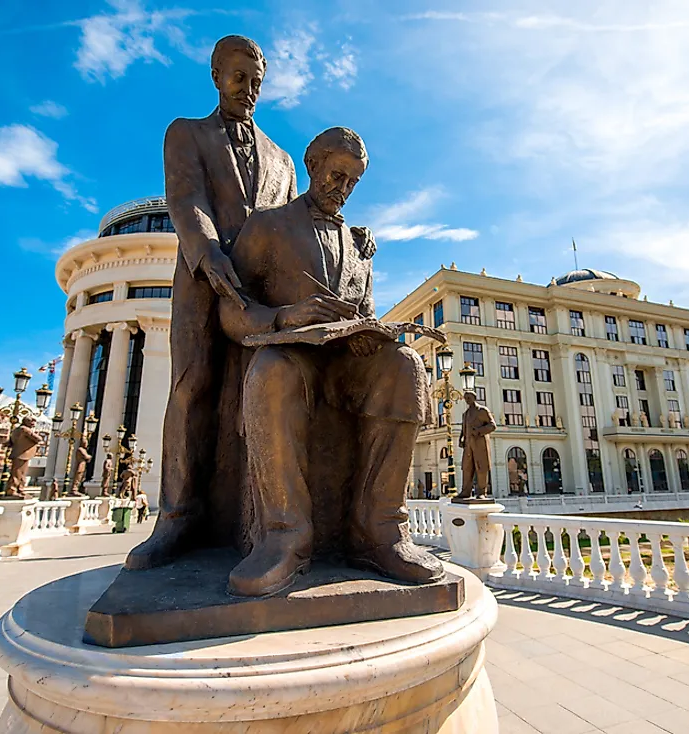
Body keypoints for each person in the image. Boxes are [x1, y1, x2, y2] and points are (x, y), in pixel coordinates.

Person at [218, 127, 443, 597]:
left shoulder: (360, 244)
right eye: (337, 175)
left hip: (346, 363)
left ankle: (379, 530)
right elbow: (231, 311)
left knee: (406, 367)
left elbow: (363, 308)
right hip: (291, 354)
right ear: (313, 165)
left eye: (353, 182)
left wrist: (367, 332)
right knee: (272, 372)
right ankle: (285, 537)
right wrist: (285, 316)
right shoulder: (267, 226)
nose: (343, 189)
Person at [127, 35, 300, 571]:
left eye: (257, 80)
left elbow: (292, 225)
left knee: (264, 394)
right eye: (238, 77)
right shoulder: (186, 133)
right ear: (216, 76)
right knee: (194, 387)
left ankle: (259, 522)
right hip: (204, 279)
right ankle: (176, 520)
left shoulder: (283, 159)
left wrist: (346, 234)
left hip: (261, 293)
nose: (248, 89)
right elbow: (185, 197)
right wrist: (206, 253)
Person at [458, 390, 496, 500]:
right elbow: (464, 428)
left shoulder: (482, 411)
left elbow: (492, 426)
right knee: (467, 468)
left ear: (474, 398)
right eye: (465, 398)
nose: (467, 400)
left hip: (480, 444)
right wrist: (461, 438)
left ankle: (482, 492)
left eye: (469, 398)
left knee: (481, 467)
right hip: (468, 445)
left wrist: (479, 431)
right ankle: (466, 491)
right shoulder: (465, 414)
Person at [6, 417, 41, 499]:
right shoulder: (24, 429)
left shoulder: (16, 429)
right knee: (17, 473)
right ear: (26, 422)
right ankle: (12, 490)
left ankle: (19, 489)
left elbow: (9, 442)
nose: (33, 424)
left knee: (21, 474)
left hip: (22, 454)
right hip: (21, 454)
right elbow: (38, 438)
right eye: (31, 422)